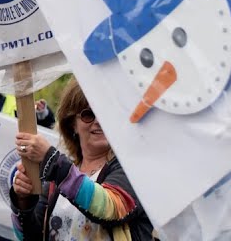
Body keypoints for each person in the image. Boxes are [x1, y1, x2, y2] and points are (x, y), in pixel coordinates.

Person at [10, 78, 152, 240]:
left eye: (105, 113)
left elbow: (109, 208)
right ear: (72, 125)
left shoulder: (133, 168)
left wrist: (50, 159)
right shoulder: (56, 180)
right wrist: (23, 202)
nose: (98, 121)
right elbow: (27, 238)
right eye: (88, 114)